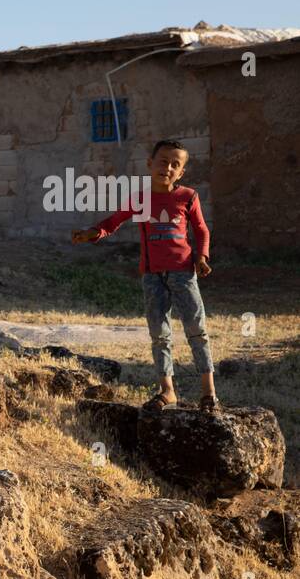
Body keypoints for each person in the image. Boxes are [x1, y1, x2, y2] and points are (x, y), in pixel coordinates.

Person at [72, 139, 218, 411]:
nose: (168, 167)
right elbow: (113, 222)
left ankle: (208, 392)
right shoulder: (140, 199)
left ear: (182, 172)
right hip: (152, 276)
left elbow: (201, 230)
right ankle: (168, 391)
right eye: (163, 161)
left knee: (196, 329)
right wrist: (92, 233)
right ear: (150, 164)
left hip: (183, 274)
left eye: (176, 164)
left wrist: (201, 257)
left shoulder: (188, 197)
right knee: (159, 334)